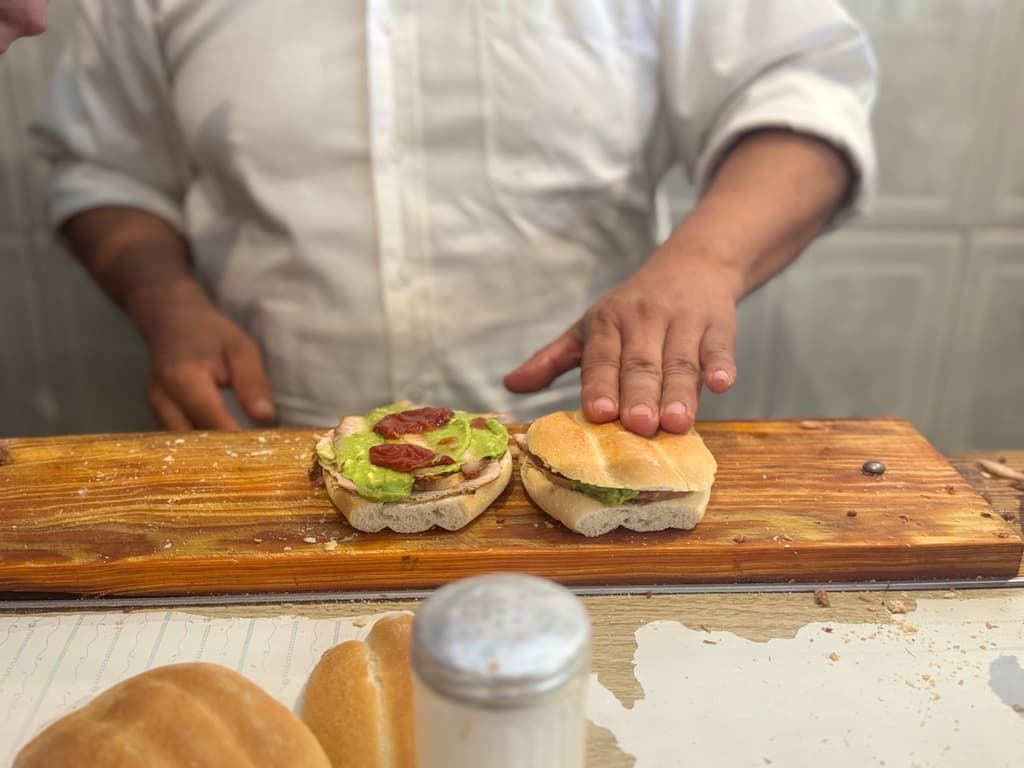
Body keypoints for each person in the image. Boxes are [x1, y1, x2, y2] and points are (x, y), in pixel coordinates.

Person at [31, 0, 876, 437]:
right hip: (274, 447)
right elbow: (104, 166)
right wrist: (167, 306)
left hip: (591, 451)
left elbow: (803, 90)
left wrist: (703, 264)